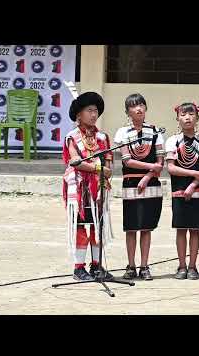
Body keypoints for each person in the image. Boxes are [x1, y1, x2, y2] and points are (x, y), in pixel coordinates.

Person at [62, 92, 114, 281]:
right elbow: (75, 161)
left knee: (97, 227)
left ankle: (96, 266)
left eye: (96, 111)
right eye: (89, 110)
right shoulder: (72, 137)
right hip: (80, 187)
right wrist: (97, 169)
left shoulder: (103, 137)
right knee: (81, 226)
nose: (94, 114)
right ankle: (78, 268)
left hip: (98, 188)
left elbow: (108, 163)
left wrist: (106, 171)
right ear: (79, 115)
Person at [113, 93, 165, 281]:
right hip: (131, 182)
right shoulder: (122, 133)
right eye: (134, 106)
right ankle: (131, 266)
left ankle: (144, 266)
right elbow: (127, 160)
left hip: (150, 183)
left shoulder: (156, 131)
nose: (139, 108)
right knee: (131, 226)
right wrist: (151, 167)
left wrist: (149, 175)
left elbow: (160, 162)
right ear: (128, 111)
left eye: (141, 104)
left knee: (146, 226)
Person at [165, 102, 199, 280]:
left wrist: (193, 185)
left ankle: (193, 266)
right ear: (177, 118)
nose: (187, 118)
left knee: (195, 229)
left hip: (197, 190)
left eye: (191, 114)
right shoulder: (172, 141)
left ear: (197, 117)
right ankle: (182, 266)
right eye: (183, 114)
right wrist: (194, 173)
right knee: (181, 228)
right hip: (179, 189)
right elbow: (171, 168)